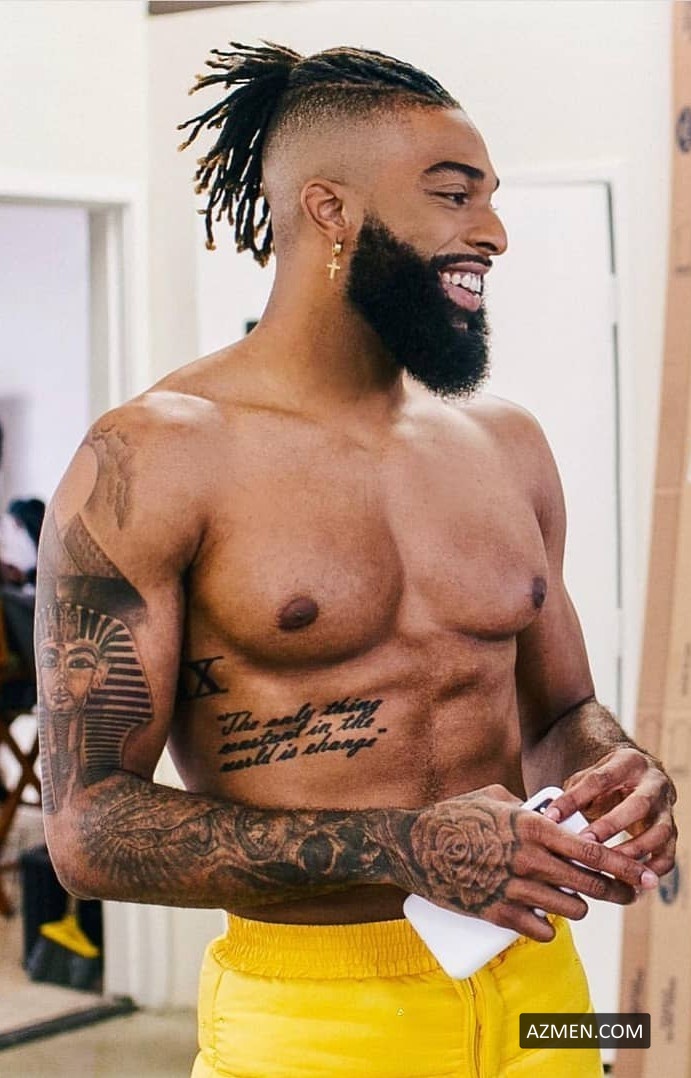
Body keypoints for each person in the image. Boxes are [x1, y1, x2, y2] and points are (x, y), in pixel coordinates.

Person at [36, 43, 676, 1077]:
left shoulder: (506, 443)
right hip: (312, 1015)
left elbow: (558, 714)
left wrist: (614, 769)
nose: (492, 232)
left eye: (491, 198)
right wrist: (402, 846)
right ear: (329, 209)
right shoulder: (153, 457)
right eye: (453, 194)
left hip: (542, 999)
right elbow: (85, 828)